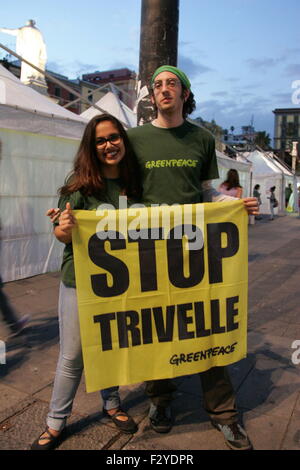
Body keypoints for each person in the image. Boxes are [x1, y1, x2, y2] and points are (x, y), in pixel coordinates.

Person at [127, 65, 258, 450]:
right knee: (156, 329)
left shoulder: (200, 138)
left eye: (172, 84)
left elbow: (206, 192)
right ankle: (161, 402)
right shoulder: (134, 139)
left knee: (207, 326)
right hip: (150, 250)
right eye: (158, 85)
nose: (164, 89)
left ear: (185, 93)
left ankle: (224, 413)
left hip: (195, 249)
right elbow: (125, 197)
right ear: (152, 97)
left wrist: (233, 204)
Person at [31, 114, 142, 450]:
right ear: (91, 147)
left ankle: (111, 403)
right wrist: (63, 228)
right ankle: (55, 422)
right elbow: (62, 232)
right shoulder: (79, 184)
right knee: (74, 354)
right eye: (101, 140)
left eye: (114, 137)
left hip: (120, 282)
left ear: (123, 139)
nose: (109, 145)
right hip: (79, 281)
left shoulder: (135, 184)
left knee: (110, 346)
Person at [0, 20, 47, 84]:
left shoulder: (23, 29)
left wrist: (2, 29)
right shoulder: (38, 32)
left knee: (27, 65)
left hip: (27, 50)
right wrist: (43, 54)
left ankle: (29, 78)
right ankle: (33, 77)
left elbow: (12, 32)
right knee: (33, 64)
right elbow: (43, 44)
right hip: (36, 51)